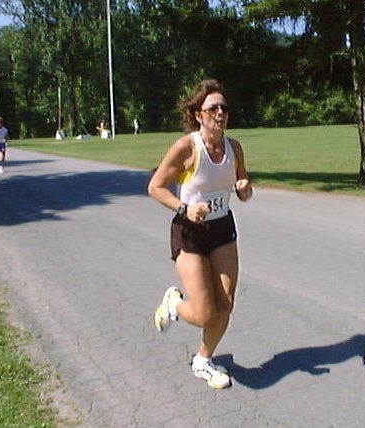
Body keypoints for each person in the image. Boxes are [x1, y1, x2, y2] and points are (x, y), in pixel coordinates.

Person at [148, 79, 253, 389]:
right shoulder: (186, 147)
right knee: (206, 313)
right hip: (190, 231)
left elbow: (244, 191)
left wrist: (245, 189)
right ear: (198, 115)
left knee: (225, 306)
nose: (220, 113)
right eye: (213, 108)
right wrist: (185, 208)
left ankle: (203, 360)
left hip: (222, 228)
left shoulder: (234, 148)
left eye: (224, 108)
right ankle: (174, 304)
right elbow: (155, 187)